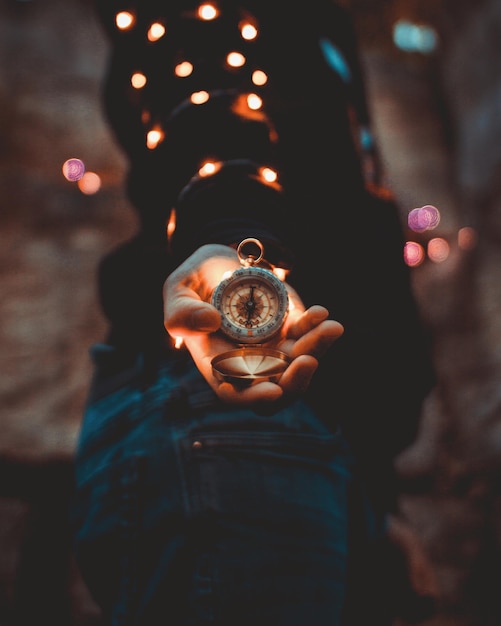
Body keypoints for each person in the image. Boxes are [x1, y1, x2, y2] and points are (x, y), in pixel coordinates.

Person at [70, 1, 436, 624]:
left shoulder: (325, 29)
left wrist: (374, 490)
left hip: (314, 440)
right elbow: (205, 98)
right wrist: (235, 245)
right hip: (231, 404)